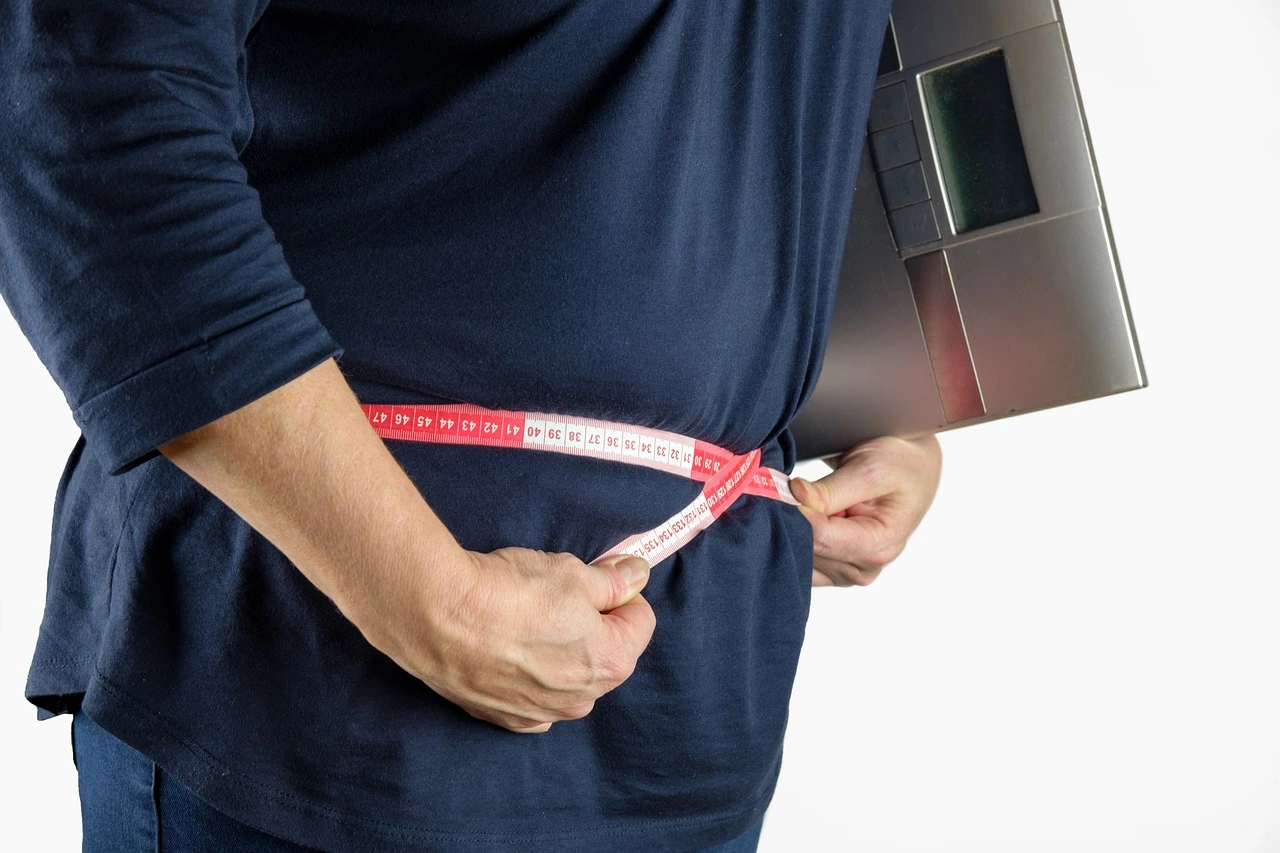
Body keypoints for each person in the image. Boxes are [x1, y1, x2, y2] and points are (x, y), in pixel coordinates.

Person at [0, 1, 942, 850]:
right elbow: (78, 109)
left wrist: (887, 384)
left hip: (698, 722)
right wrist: (431, 601)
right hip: (303, 708)